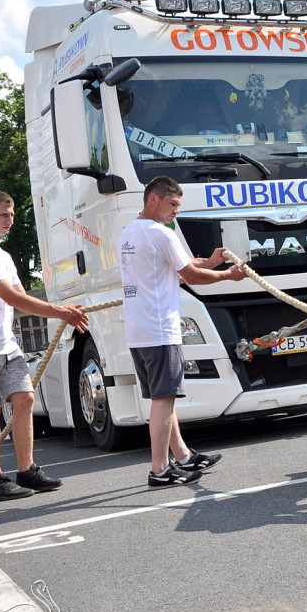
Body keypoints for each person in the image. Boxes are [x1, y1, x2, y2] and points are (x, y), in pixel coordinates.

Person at [0, 190, 89, 503]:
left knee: (25, 399)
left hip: (4, 341)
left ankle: (27, 470)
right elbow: (12, 298)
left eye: (11, 215)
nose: (9, 220)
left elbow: (21, 298)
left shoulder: (3, 256)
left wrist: (63, 309)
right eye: (3, 214)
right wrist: (62, 312)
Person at [118, 176, 247, 486]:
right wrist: (227, 274)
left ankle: (184, 456)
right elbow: (189, 275)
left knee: (164, 398)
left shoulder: (128, 233)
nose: (176, 211)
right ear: (153, 200)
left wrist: (212, 262)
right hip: (160, 329)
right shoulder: (161, 234)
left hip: (138, 330)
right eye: (173, 204)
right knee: (164, 399)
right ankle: (160, 470)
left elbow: (175, 264)